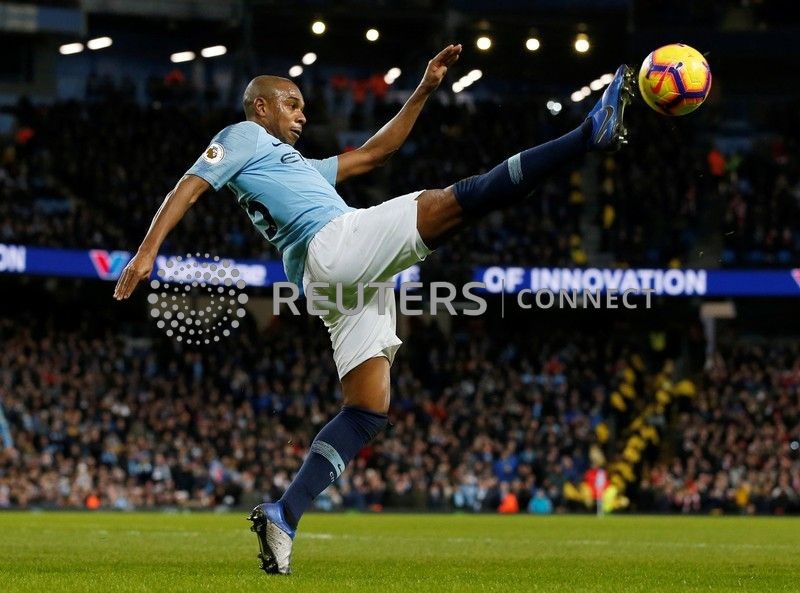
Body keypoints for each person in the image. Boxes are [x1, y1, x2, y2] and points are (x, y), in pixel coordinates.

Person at [113, 44, 634, 575]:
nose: (301, 115)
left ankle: (284, 515)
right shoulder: (243, 135)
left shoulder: (295, 165)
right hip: (334, 246)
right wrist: (148, 252)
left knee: (366, 409)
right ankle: (587, 134)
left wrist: (425, 89)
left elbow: (374, 154)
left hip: (331, 282)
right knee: (455, 201)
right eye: (291, 104)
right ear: (261, 107)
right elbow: (191, 184)